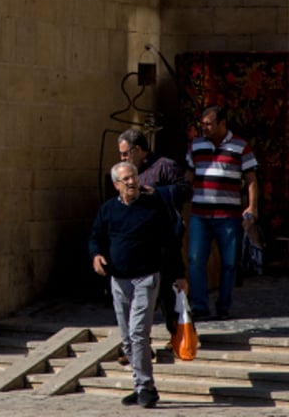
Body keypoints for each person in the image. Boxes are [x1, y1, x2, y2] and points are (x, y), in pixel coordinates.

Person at [89, 161, 187, 408]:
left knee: (138, 333)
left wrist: (179, 274)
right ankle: (143, 385)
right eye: (126, 179)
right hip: (118, 280)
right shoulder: (108, 209)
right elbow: (95, 237)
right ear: (116, 185)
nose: (132, 182)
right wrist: (96, 255)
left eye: (134, 177)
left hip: (146, 277)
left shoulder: (153, 207)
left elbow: (170, 243)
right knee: (126, 338)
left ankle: (144, 387)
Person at [185, 105, 257, 321]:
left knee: (229, 262)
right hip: (200, 214)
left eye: (209, 124)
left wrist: (252, 207)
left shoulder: (240, 147)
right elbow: (189, 174)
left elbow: (251, 179)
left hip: (228, 215)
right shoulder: (196, 145)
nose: (204, 128)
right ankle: (199, 305)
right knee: (195, 259)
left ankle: (224, 305)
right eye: (203, 124)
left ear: (222, 124)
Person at [119, 128, 191, 335]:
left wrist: (157, 193)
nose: (122, 158)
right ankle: (140, 342)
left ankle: (177, 334)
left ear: (138, 150)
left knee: (169, 288)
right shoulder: (127, 173)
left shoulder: (164, 166)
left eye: (125, 153)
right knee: (137, 296)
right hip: (137, 241)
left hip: (164, 239)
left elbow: (185, 190)